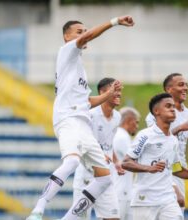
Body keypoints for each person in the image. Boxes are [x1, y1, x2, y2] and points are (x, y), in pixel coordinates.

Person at [26, 15, 134, 220]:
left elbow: (86, 101)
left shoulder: (78, 68)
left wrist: (108, 95)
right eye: (79, 31)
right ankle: (38, 209)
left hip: (82, 123)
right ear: (67, 37)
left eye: (84, 30)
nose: (84, 34)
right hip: (68, 118)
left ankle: (69, 218)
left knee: (104, 177)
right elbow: (91, 35)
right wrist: (115, 21)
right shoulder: (66, 51)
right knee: (72, 162)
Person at [122, 93, 188, 220]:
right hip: (145, 200)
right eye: (168, 106)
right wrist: (149, 168)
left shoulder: (173, 140)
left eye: (173, 106)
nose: (173, 109)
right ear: (156, 111)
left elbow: (176, 169)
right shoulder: (145, 135)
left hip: (167, 200)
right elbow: (126, 162)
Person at [145, 73, 188, 212]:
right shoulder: (155, 113)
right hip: (159, 168)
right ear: (169, 90)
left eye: (186, 84)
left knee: (177, 212)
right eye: (181, 85)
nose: (185, 88)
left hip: (178, 170)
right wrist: (180, 128)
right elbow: (155, 140)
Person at [73, 77, 124, 220]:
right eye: (115, 90)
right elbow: (81, 141)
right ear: (102, 92)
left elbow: (109, 143)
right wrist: (99, 154)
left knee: (113, 218)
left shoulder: (117, 117)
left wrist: (116, 161)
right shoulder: (90, 114)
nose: (119, 94)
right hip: (87, 176)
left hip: (107, 176)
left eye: (120, 90)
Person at [113, 106, 141, 220]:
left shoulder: (118, 134)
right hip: (120, 191)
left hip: (123, 190)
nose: (137, 126)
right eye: (137, 122)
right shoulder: (122, 137)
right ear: (129, 120)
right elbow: (135, 160)